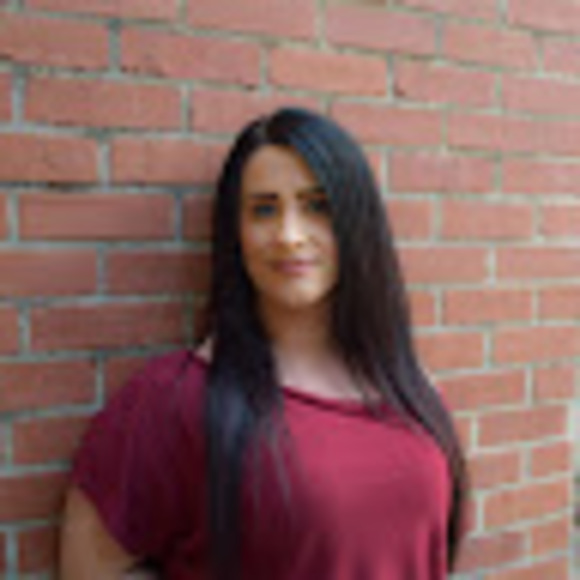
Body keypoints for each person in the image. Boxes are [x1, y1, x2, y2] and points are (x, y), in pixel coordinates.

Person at [60, 108, 468, 579]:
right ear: (235, 233)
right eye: (264, 210)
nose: (289, 236)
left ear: (356, 223)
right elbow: (87, 570)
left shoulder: (413, 388)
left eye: (317, 206)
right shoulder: (177, 400)